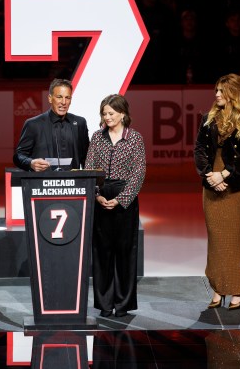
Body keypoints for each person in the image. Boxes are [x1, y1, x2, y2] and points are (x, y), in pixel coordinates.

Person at [194, 73, 240, 310]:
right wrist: (209, 175)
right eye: (216, 91)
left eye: (221, 91)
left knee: (235, 238)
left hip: (237, 187)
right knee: (217, 239)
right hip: (212, 183)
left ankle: (237, 289)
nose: (217, 95)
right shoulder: (208, 118)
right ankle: (218, 289)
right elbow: (199, 149)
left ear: (233, 94)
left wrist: (225, 174)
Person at [84, 94, 146, 318]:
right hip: (101, 195)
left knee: (125, 251)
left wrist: (121, 199)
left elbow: (139, 173)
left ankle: (123, 303)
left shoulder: (135, 138)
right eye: (104, 113)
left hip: (124, 199)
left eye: (111, 113)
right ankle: (105, 303)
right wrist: (97, 195)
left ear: (122, 114)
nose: (107, 117)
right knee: (102, 252)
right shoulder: (97, 138)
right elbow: (89, 168)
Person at [13, 78, 89, 171]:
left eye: (67, 97)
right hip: (42, 183)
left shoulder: (79, 123)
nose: (63, 102)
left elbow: (87, 157)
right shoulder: (33, 124)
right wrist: (30, 163)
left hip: (73, 183)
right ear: (50, 98)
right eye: (59, 97)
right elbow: (19, 156)